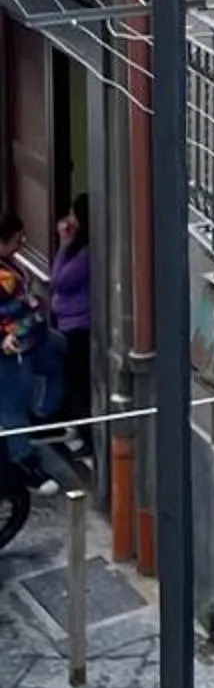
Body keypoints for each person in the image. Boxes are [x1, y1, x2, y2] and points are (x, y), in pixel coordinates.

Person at [0, 210, 76, 497]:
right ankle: (23, 464)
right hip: (13, 346)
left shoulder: (9, 265)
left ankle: (45, 413)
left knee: (58, 351)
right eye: (19, 239)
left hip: (35, 336)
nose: (23, 243)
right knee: (12, 408)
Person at [49, 196, 91, 465]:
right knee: (72, 381)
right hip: (68, 324)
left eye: (73, 216)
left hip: (79, 328)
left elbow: (59, 281)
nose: (69, 221)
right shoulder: (78, 249)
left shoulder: (85, 253)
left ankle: (86, 439)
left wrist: (63, 245)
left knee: (78, 385)